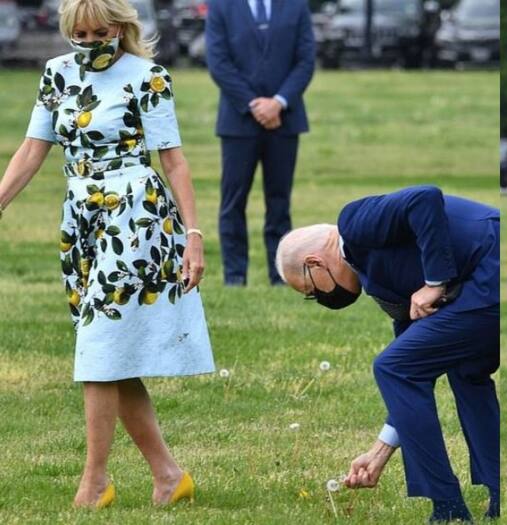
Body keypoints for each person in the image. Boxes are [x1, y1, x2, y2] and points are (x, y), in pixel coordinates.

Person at [0, 0, 213, 508]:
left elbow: (173, 160)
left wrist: (193, 235)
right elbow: (33, 148)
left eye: (100, 32)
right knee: (111, 352)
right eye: (81, 33)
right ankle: (168, 475)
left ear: (120, 27)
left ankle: (94, 482)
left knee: (98, 345)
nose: (91, 41)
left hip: (135, 215)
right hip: (81, 218)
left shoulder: (148, 76)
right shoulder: (56, 74)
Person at [274, 186, 500, 522]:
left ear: (314, 263)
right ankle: (498, 494)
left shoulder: (353, 223)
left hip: (494, 262)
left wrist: (435, 281)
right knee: (464, 371)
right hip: (486, 280)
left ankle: (448, 508)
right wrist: (381, 450)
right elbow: (415, 372)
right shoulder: (379, 283)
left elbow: (425, 198)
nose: (321, 300)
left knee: (392, 367)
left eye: (311, 292)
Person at [205, 0, 315, 286]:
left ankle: (280, 276)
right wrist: (254, 104)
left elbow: (305, 61)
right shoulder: (220, 7)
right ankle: (234, 277)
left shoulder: (296, 6)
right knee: (233, 202)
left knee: (279, 203)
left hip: (285, 120)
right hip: (238, 121)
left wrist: (278, 103)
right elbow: (218, 62)